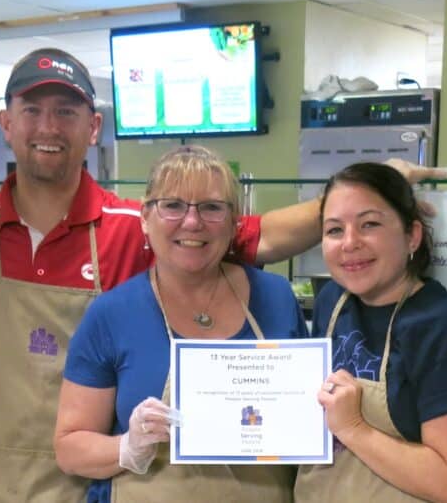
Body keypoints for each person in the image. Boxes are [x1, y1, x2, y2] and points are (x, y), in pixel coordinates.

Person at [0, 47, 447, 501]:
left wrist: (370, 195)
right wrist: (129, 447)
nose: (191, 224)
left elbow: (262, 234)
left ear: (92, 127)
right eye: (32, 110)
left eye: (65, 111)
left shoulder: (158, 240)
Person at [54, 145, 308, 502]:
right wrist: (129, 447)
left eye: (211, 207)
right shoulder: (112, 314)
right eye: (172, 205)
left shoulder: (277, 298)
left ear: (235, 221)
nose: (192, 222)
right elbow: (69, 448)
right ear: (145, 217)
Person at [295, 162, 447, 503]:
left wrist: (353, 427)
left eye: (369, 224)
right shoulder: (331, 302)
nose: (350, 243)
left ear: (412, 235)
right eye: (334, 230)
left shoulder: (440, 322)